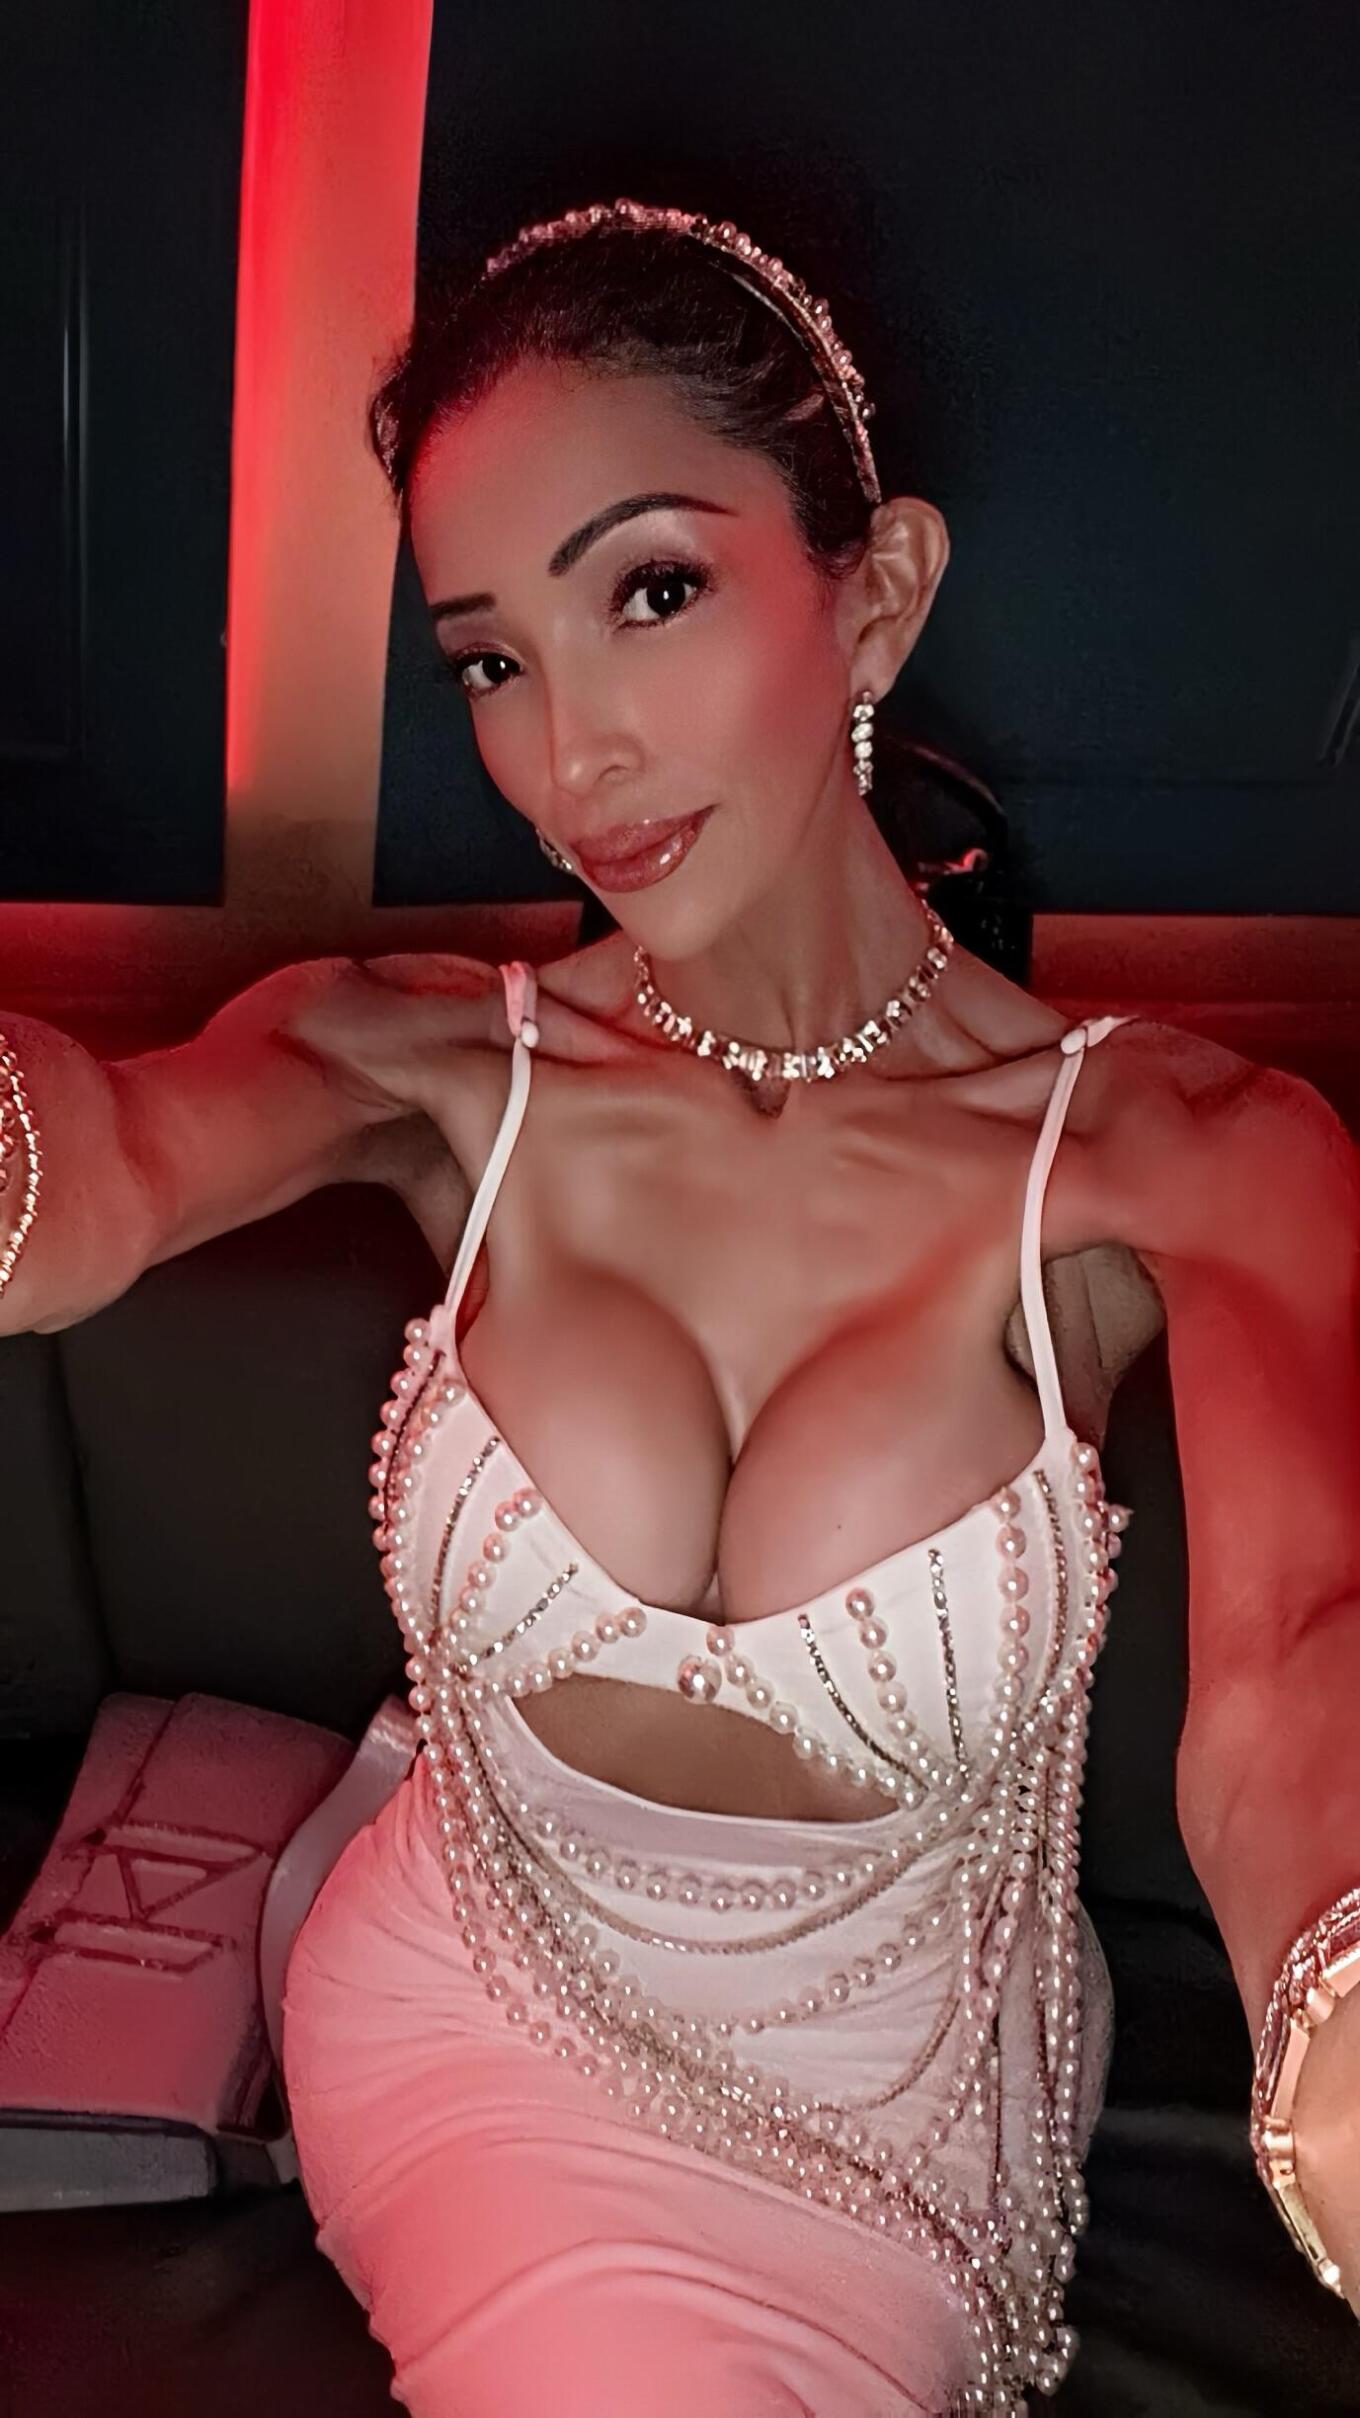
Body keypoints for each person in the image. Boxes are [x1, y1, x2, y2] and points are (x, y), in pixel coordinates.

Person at [2, 197, 1357, 2414]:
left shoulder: (1183, 1153)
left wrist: (1338, 2021)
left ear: (876, 593)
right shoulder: (439, 1064)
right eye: (491, 661)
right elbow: (102, 1169)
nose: (571, 756)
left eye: (647, 592)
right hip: (467, 2013)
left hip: (897, 2114)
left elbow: (1297, 1680)